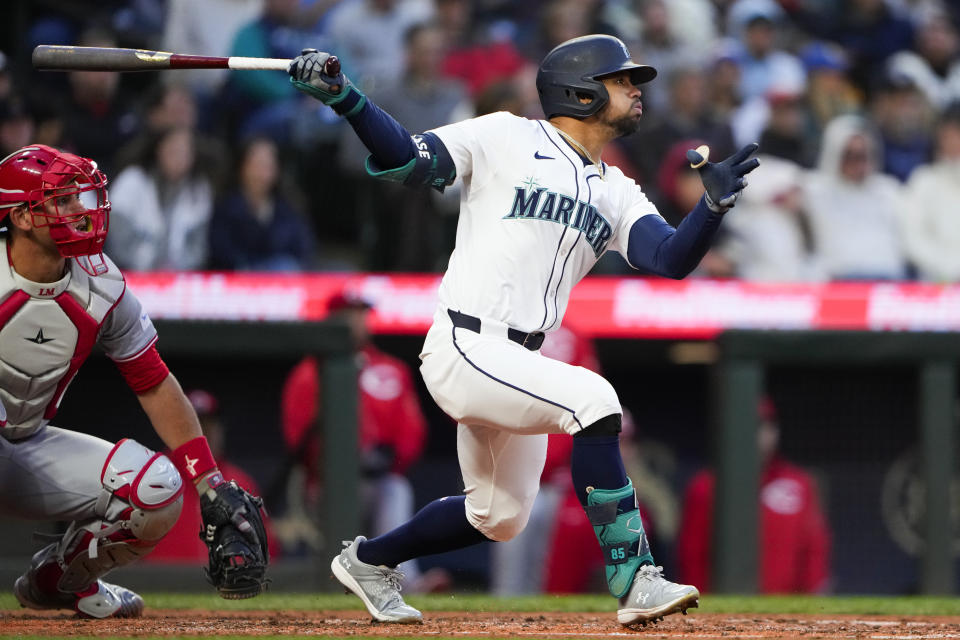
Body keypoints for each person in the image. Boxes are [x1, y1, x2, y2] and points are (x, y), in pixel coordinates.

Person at [288, 33, 759, 626]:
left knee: (500, 516)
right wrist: (347, 98)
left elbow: (668, 258)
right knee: (594, 399)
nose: (636, 90)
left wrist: (709, 211)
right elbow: (410, 160)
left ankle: (369, 560)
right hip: (467, 343)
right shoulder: (505, 135)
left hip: (519, 363)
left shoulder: (616, 187)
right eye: (622, 81)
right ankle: (636, 580)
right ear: (581, 92)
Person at [0, 144, 268, 618]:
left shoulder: (101, 284)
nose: (79, 211)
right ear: (21, 216)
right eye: (61, 200)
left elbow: (154, 382)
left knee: (159, 488)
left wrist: (208, 482)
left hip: (25, 444)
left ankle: (60, 582)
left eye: (77, 198)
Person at [280, 289, 446, 591]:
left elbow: (412, 431)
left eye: (361, 314)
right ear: (331, 319)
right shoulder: (307, 373)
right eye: (348, 315)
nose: (357, 322)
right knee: (335, 496)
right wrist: (336, 462)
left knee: (395, 490)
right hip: (325, 484)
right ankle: (334, 583)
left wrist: (389, 458)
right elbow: (297, 437)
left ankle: (408, 584)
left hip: (378, 481)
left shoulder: (390, 368)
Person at [676, 397, 831, 593]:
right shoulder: (705, 486)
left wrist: (813, 596)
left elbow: (814, 548)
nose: (758, 435)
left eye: (765, 426)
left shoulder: (799, 483)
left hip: (789, 607)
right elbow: (692, 554)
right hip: (724, 609)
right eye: (749, 427)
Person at [146, 389, 280, 562]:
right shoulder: (152, 481)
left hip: (227, 587)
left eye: (208, 426)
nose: (202, 434)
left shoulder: (240, 484)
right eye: (192, 427)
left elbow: (268, 551)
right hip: (159, 586)